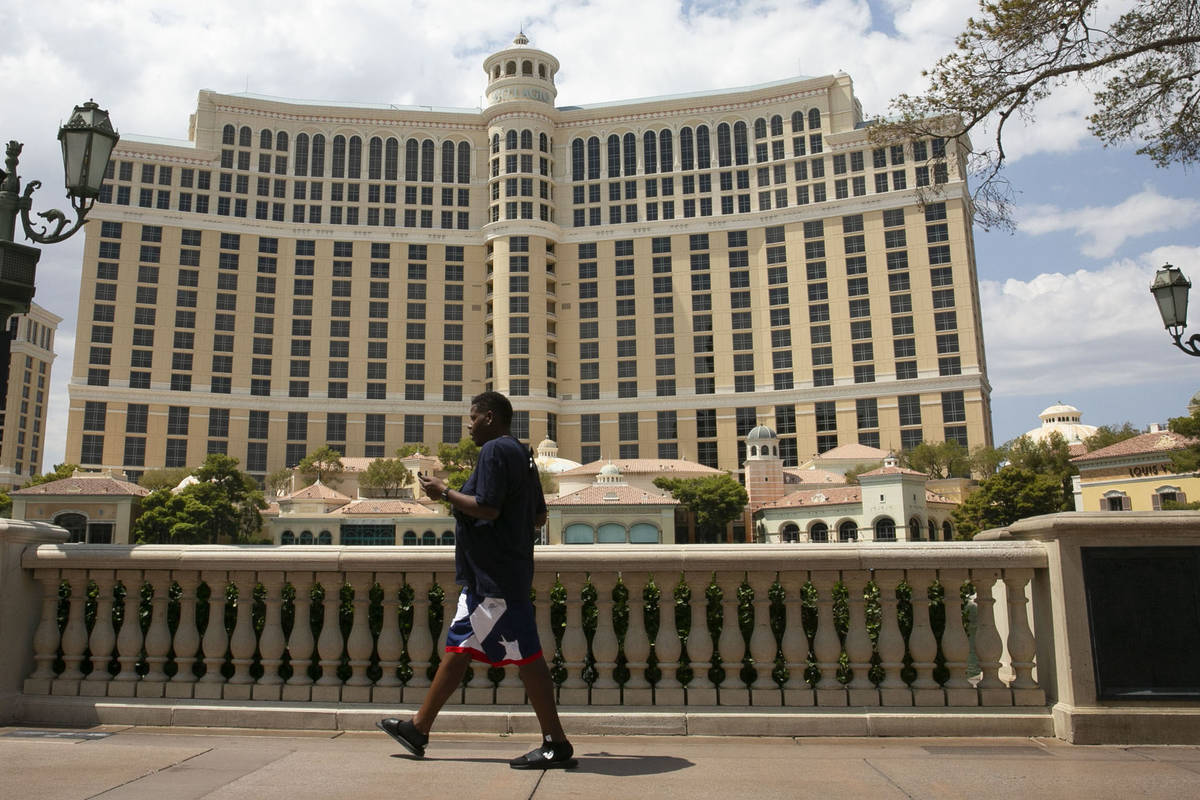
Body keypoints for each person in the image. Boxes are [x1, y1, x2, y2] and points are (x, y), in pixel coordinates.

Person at [378, 391, 575, 770]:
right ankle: (418, 728)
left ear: (489, 417)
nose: (467, 425)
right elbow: (538, 516)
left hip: (495, 579)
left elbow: (487, 507)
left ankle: (556, 742)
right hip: (494, 575)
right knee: (459, 647)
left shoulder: (493, 452)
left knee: (528, 656)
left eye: (472, 417)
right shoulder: (522, 453)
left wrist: (443, 492)